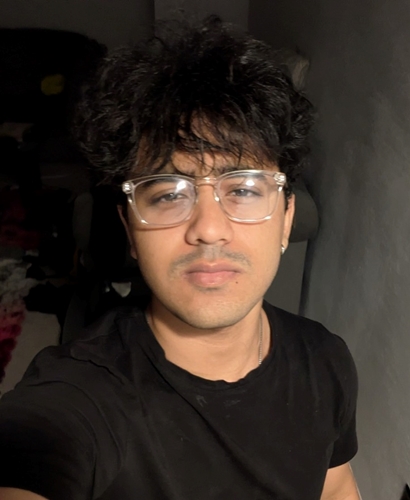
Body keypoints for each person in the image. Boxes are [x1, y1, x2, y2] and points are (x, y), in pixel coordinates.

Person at [0, 16, 360, 500]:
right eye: (168, 194)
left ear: (286, 218)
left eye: (243, 189)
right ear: (130, 230)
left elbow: (336, 488)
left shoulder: (326, 361)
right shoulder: (79, 396)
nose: (208, 227)